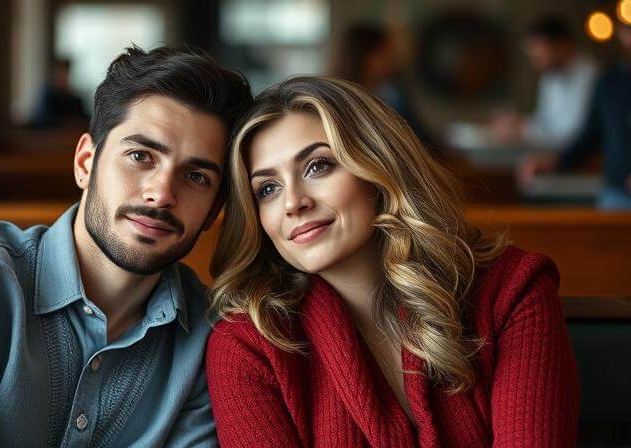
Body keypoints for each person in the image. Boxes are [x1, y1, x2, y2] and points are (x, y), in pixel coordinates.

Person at [0, 46, 252, 447]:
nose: (161, 194)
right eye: (140, 156)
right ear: (86, 163)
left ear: (213, 211)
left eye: (195, 177)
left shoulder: (210, 337)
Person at [206, 77, 579, 447]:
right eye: (267, 189)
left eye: (318, 166)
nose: (293, 203)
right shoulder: (248, 345)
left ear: (378, 167)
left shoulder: (511, 291)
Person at [520, 22, 631, 209]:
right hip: (616, 192)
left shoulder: (591, 73)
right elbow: (590, 135)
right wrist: (555, 162)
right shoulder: (610, 81)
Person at [491, 15, 598, 148]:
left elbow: (573, 132)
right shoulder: (550, 76)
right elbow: (545, 120)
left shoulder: (591, 76)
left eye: (538, 51)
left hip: (581, 162)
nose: (534, 59)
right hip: (553, 155)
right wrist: (518, 124)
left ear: (561, 45)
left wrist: (524, 129)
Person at [335, 23, 432, 148]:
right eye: (385, 52)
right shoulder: (341, 99)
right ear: (365, 56)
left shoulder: (393, 91)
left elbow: (418, 135)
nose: (392, 59)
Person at [29, 58, 91, 129]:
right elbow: (43, 120)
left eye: (65, 73)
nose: (63, 77)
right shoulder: (47, 96)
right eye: (60, 73)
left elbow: (83, 120)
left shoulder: (75, 99)